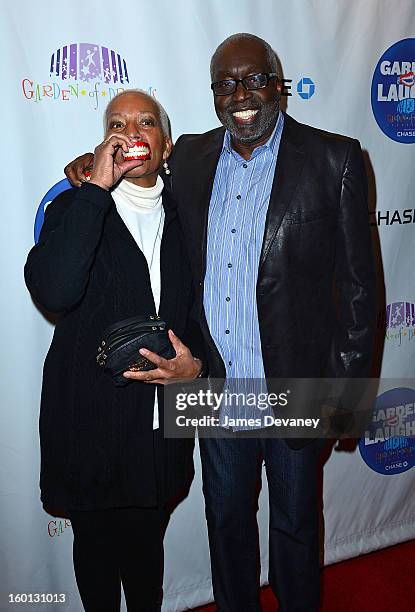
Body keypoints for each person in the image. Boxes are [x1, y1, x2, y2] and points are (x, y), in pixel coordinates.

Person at [65, 34, 376, 612]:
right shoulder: (189, 157)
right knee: (225, 525)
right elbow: (142, 182)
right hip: (213, 386)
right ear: (213, 94)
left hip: (296, 389)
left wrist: (344, 405)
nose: (241, 95)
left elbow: (361, 294)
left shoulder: (337, 158)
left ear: (278, 83)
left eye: (254, 79)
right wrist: (89, 168)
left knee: (296, 530)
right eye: (225, 85)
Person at [25, 89, 205, 612]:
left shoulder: (187, 214)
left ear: (165, 146)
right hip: (89, 426)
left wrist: (195, 368)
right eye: (118, 124)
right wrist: (98, 188)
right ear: (104, 141)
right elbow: (54, 291)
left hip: (156, 431)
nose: (131, 132)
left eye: (145, 122)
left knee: (147, 561)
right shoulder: (75, 205)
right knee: (98, 565)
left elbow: (199, 310)